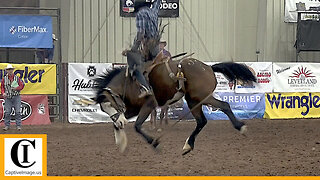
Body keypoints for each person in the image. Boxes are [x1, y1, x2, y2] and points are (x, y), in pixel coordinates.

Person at [126, 0, 161, 98]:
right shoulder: (153, 12)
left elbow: (141, 33)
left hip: (148, 44)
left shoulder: (140, 14)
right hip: (156, 44)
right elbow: (157, 4)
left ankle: (146, 88)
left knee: (135, 67)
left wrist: (133, 49)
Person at [150, 39, 171, 129]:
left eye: (162, 44)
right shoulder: (154, 54)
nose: (160, 45)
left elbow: (170, 64)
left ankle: (162, 120)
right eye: (159, 44)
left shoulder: (167, 54)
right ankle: (153, 121)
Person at [1, 64, 25, 131]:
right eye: (8, 70)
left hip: (16, 96)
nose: (10, 71)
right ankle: (7, 125)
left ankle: (18, 125)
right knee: (7, 112)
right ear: (7, 71)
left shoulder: (17, 78)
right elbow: (2, 87)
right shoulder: (4, 79)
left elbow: (22, 86)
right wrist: (3, 93)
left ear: (13, 70)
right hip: (8, 97)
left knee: (17, 112)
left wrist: (17, 88)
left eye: (11, 69)